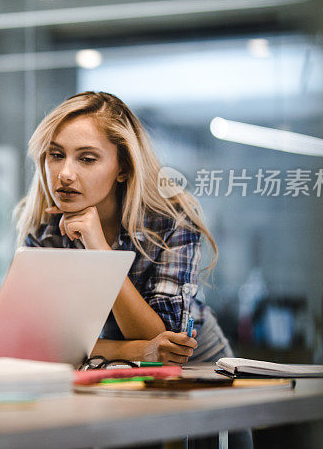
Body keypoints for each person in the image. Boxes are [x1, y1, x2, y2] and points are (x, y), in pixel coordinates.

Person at [17, 91, 232, 364]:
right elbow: (40, 342)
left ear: (124, 168)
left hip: (198, 363)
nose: (65, 174)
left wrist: (102, 252)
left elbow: (167, 345)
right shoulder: (45, 232)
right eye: (56, 155)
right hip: (108, 363)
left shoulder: (170, 220)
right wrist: (136, 351)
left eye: (87, 159)